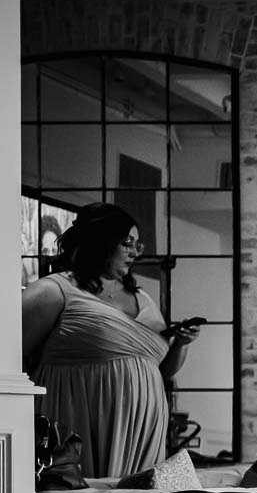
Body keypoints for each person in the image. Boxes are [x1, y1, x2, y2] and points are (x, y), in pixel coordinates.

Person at [20, 202, 200, 478]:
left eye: (138, 245)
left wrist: (182, 344)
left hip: (142, 434)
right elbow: (10, 358)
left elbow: (162, 369)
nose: (135, 252)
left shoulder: (143, 298)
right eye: (127, 242)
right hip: (81, 417)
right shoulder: (56, 291)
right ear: (101, 242)